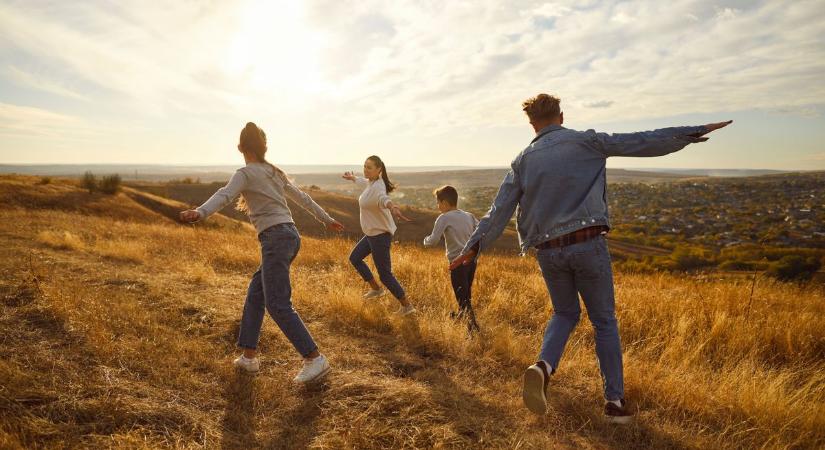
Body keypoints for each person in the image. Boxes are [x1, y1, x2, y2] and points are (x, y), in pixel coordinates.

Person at [450, 94, 732, 423]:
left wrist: (471, 248)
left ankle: (543, 365)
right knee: (604, 322)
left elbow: (497, 213)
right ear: (561, 116)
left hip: (548, 252)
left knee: (565, 313)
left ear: (532, 124)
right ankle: (614, 402)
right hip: (587, 244)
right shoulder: (588, 142)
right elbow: (642, 141)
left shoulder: (522, 160)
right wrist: (694, 131)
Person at [180, 122, 344, 384]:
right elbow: (303, 198)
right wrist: (326, 219)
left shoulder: (245, 173)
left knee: (277, 303)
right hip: (290, 235)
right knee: (256, 295)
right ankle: (249, 357)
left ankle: (314, 358)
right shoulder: (273, 172)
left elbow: (224, 195)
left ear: (241, 147)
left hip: (276, 239)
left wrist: (200, 212)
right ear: (263, 147)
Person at [343, 155, 416, 316]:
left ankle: (407, 306)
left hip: (379, 237)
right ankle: (376, 290)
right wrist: (353, 178)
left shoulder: (378, 188)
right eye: (364, 166)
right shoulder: (371, 183)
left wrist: (393, 207)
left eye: (369, 167)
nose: (366, 170)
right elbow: (363, 182)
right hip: (371, 235)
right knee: (355, 258)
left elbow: (384, 199)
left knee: (385, 274)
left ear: (379, 170)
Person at [423, 185, 480, 332]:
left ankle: (473, 329)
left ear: (445, 203)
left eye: (438, 202)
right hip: (472, 261)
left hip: (457, 263)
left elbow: (433, 240)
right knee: (466, 294)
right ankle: (459, 316)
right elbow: (480, 232)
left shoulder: (443, 217)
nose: (438, 206)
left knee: (463, 298)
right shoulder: (469, 216)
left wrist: (425, 240)